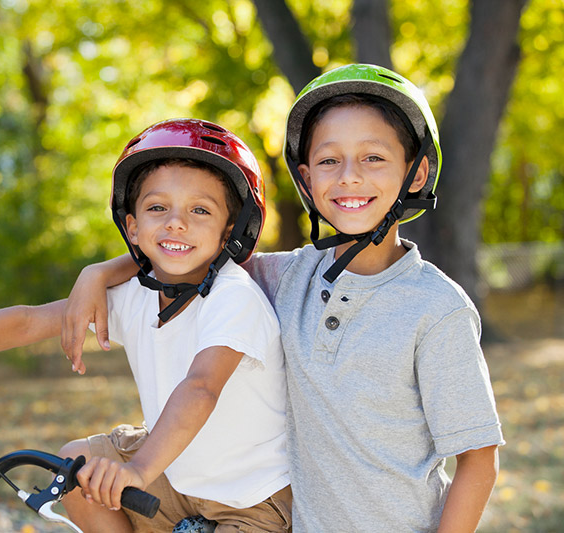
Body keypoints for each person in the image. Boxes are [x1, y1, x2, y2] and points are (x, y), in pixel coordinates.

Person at [60, 64, 505, 532]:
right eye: (330, 161)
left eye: (373, 158)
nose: (349, 177)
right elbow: (191, 251)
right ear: (308, 179)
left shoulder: (437, 308)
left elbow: (477, 461)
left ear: (416, 174)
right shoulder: (289, 276)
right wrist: (102, 271)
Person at [0, 118, 292, 533]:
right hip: (176, 477)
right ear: (133, 228)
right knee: (74, 465)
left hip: (248, 496)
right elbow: (27, 323)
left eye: (200, 211)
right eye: (159, 207)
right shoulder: (140, 291)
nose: (177, 221)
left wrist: (136, 471)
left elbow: (201, 388)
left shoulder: (233, 296)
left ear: (228, 228)